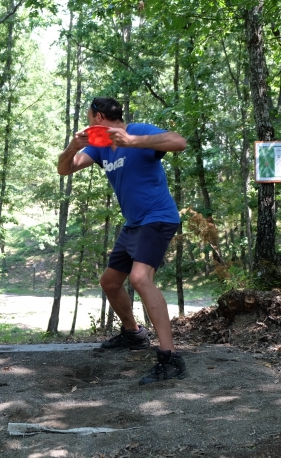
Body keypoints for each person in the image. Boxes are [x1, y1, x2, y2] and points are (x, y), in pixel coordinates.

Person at [57, 96, 188, 385]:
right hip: (133, 225)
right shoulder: (100, 147)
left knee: (140, 278)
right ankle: (134, 334)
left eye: (89, 116)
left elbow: (179, 142)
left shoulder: (137, 131)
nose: (89, 121)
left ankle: (170, 358)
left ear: (99, 117)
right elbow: (65, 168)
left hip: (158, 217)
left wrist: (133, 141)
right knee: (110, 282)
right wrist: (72, 147)